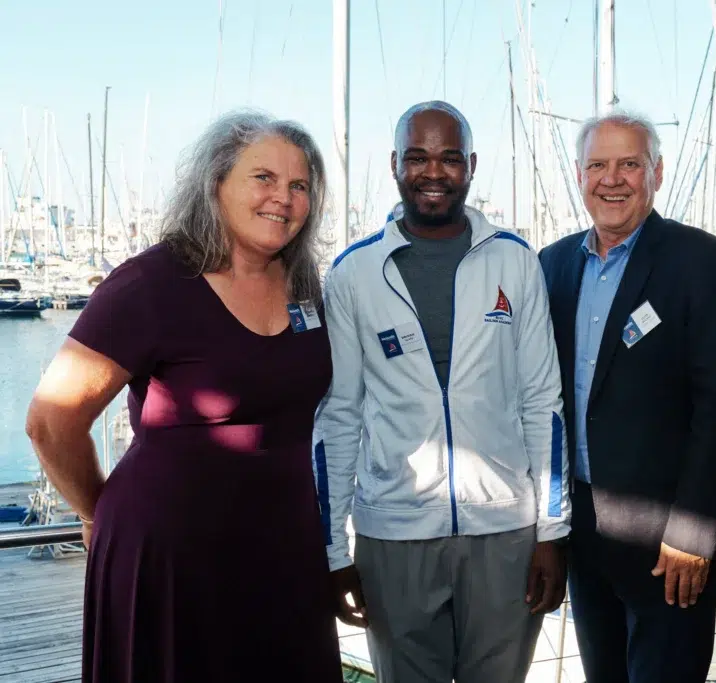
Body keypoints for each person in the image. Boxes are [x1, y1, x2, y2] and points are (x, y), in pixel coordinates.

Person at [24, 111, 343, 682]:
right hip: (171, 559)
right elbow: (51, 422)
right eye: (263, 178)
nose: (284, 198)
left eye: (300, 185)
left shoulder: (303, 284)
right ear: (216, 183)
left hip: (284, 549)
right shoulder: (151, 284)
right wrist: (98, 511)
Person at [315, 100, 569, 683]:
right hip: (393, 535)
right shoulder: (354, 273)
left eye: (449, 158)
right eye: (418, 157)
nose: (434, 173)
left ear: (472, 165)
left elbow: (542, 403)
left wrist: (553, 531)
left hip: (505, 533)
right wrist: (332, 552)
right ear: (395, 165)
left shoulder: (514, 260)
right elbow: (337, 418)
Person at [538, 110, 716, 682]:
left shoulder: (699, 260)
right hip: (582, 534)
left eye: (629, 164)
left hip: (670, 546)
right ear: (578, 176)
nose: (613, 179)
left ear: (656, 171)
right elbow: (540, 401)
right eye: (597, 165)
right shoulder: (552, 265)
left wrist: (692, 531)